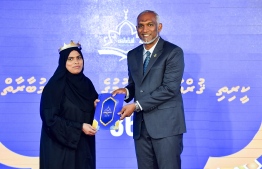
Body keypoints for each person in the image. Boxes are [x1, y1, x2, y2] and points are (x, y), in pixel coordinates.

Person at [112, 10, 186, 169]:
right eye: (141, 26)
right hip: (141, 128)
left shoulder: (173, 52)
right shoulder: (132, 55)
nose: (145, 30)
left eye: (150, 25)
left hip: (166, 127)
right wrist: (125, 92)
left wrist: (136, 105)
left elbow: (169, 89)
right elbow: (135, 85)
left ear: (159, 26)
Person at [39, 41, 98, 169]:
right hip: (59, 151)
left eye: (79, 58)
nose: (76, 62)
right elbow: (50, 119)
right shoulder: (54, 87)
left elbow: (92, 118)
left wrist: (96, 109)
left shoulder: (87, 84)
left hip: (83, 148)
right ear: (63, 62)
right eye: (70, 59)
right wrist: (79, 127)